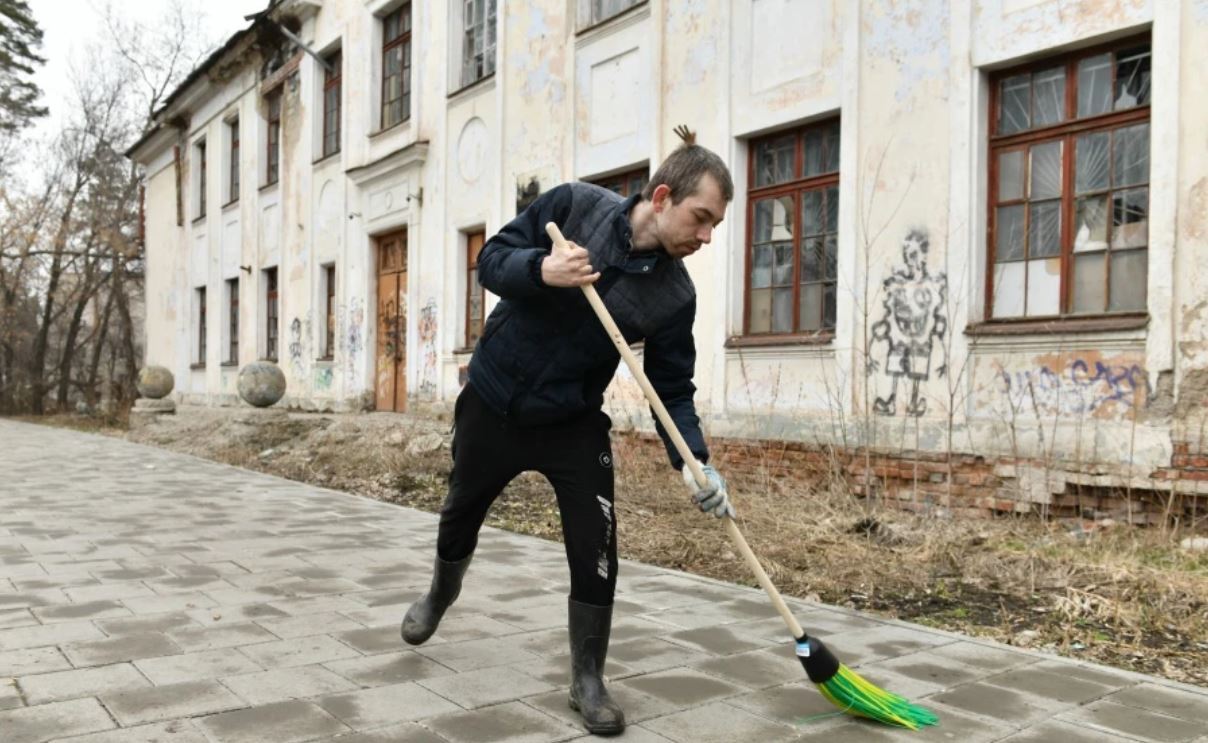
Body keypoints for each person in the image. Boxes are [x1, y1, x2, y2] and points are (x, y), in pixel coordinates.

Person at [400, 129, 736, 736]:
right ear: (662, 197)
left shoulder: (672, 294)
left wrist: (694, 463)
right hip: (495, 399)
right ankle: (440, 592)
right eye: (701, 217)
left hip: (573, 421)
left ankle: (587, 678)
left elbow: (673, 388)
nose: (707, 236)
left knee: (596, 544)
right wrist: (543, 269)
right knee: (460, 512)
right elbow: (491, 260)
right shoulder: (575, 206)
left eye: (715, 224)